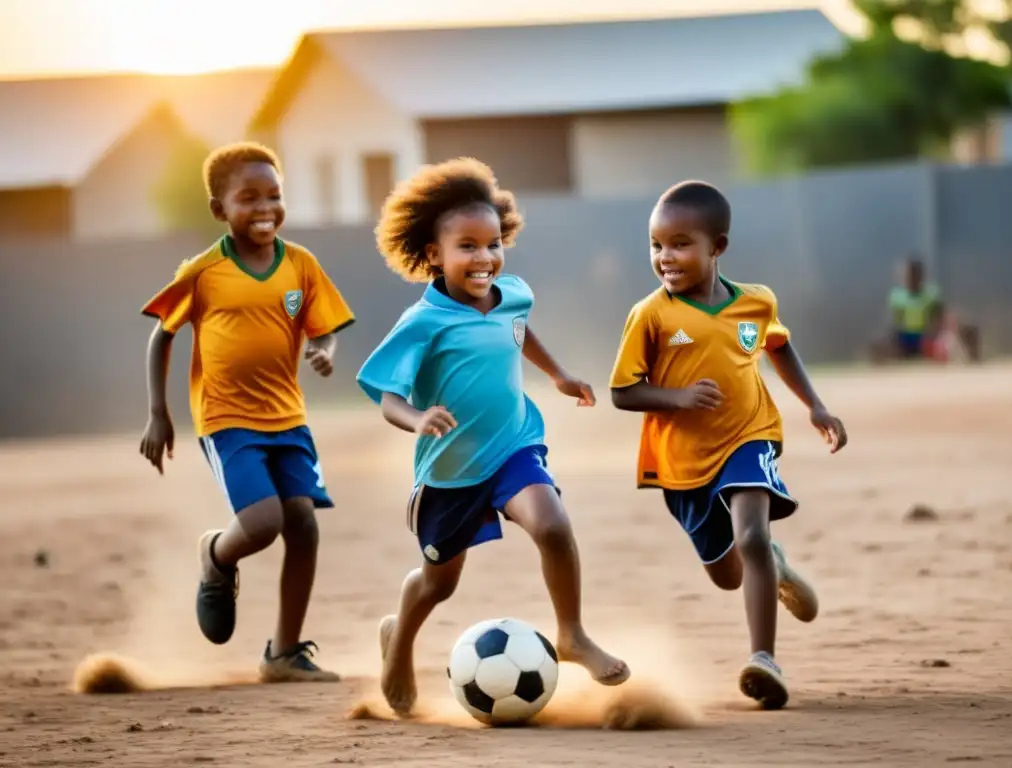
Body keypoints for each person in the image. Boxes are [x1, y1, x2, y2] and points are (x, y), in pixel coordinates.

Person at [356, 157, 629, 716]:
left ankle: (571, 634)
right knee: (437, 585)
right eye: (468, 247)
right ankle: (399, 643)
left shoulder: (512, 294)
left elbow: (519, 331)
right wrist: (418, 419)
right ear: (434, 253)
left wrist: (557, 374)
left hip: (512, 445)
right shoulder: (422, 322)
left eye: (493, 243)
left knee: (552, 525)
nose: (484, 258)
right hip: (450, 471)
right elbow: (386, 395)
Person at [609, 180, 848, 710]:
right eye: (655, 245)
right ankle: (776, 568)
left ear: (717, 247)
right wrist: (678, 398)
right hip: (683, 463)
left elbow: (780, 348)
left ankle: (763, 659)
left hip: (749, 435)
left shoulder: (756, 303)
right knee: (726, 573)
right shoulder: (650, 315)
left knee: (752, 538)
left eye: (679, 243)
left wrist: (814, 405)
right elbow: (623, 393)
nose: (664, 257)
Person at [138, 141, 354, 683]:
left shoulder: (301, 264)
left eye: (274, 195)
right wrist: (158, 412)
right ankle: (216, 554)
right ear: (220, 209)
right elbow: (160, 338)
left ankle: (283, 654)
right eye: (248, 197)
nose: (264, 207)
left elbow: (323, 327)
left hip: (289, 417)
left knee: (302, 525)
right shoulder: (203, 271)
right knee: (263, 523)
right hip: (226, 419)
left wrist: (325, 351)